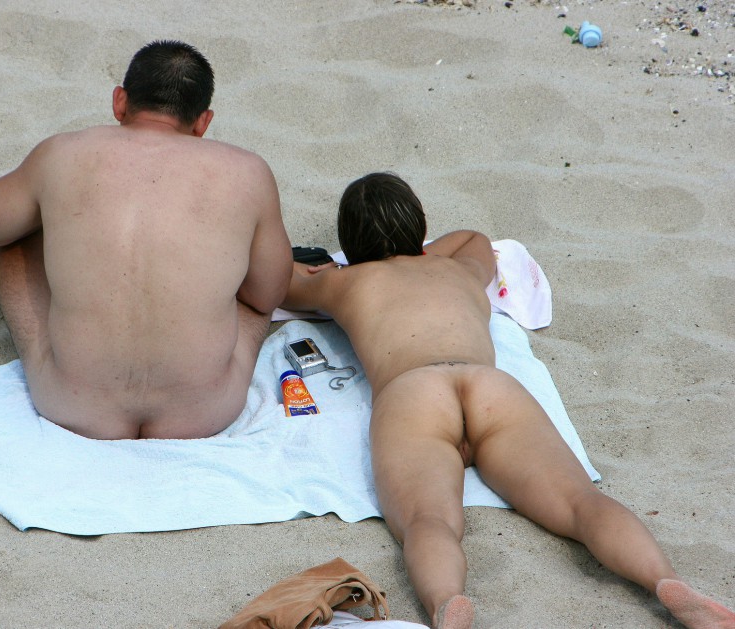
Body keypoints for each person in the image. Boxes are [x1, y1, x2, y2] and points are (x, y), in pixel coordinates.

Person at [281, 172, 735, 629]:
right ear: (421, 230)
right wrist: (422, 254)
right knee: (580, 502)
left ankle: (448, 602)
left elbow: (278, 279)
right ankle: (667, 583)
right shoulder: (459, 269)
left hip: (414, 392)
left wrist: (333, 270)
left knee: (428, 521)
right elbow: (473, 239)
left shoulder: (345, 283)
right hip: (490, 387)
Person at [0, 40, 292, 440]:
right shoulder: (248, 172)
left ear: (120, 101)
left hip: (72, 404)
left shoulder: (62, 152)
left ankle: (52, 359)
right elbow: (267, 296)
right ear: (203, 123)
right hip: (204, 412)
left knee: (11, 235)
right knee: (251, 286)